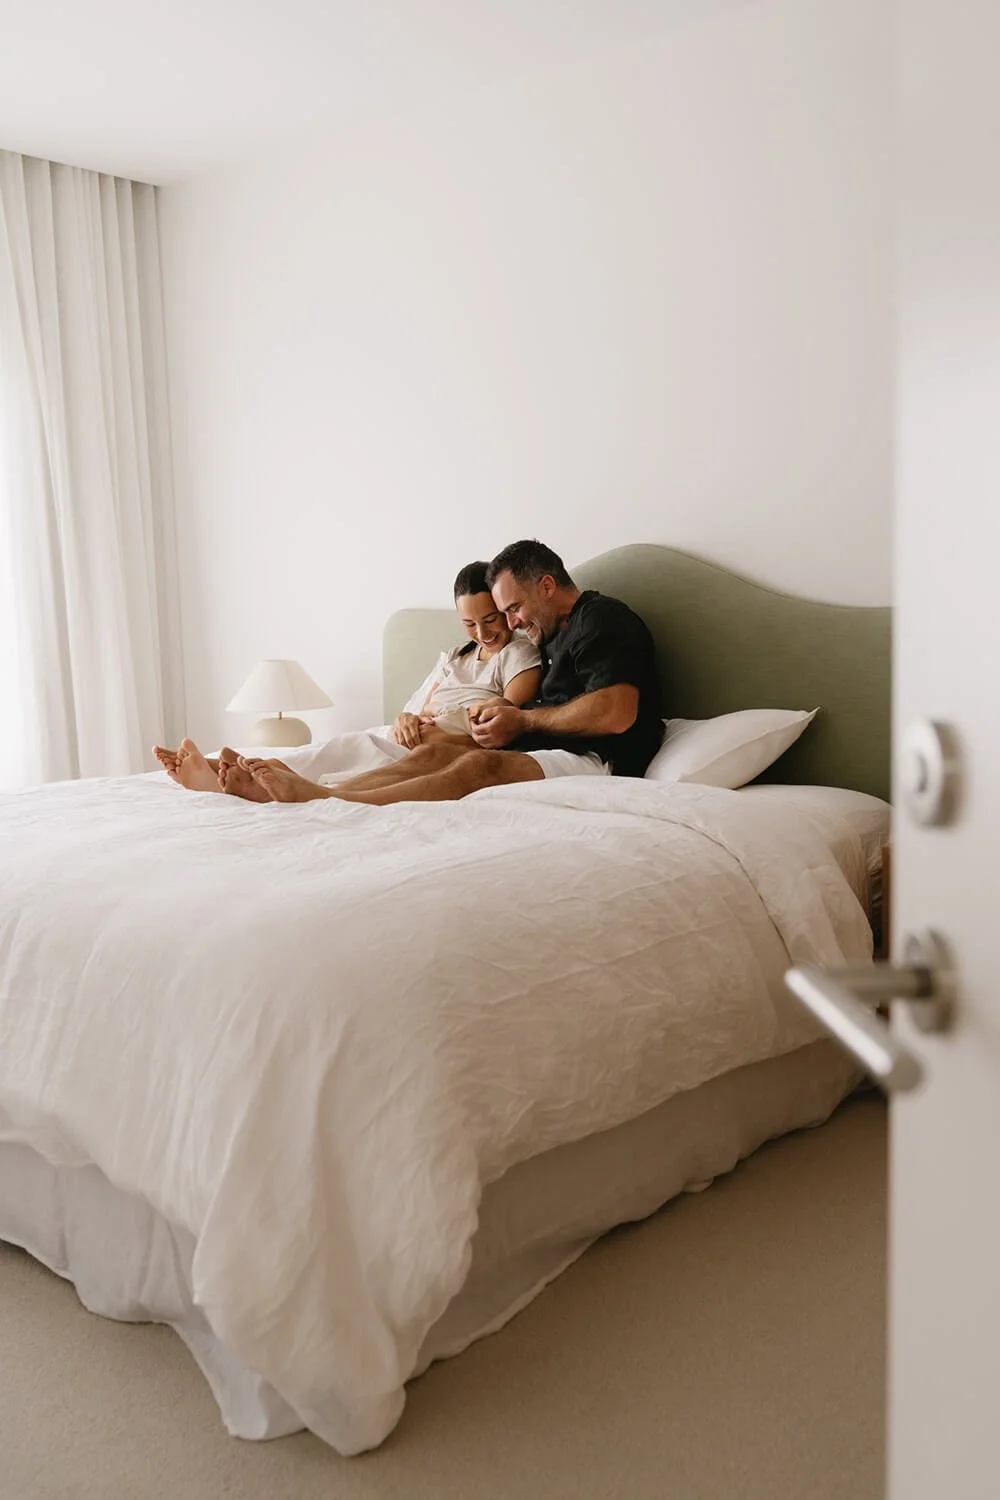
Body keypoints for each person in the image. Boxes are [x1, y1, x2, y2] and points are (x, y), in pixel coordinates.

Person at [223, 538, 662, 806]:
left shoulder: (602, 619)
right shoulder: (547, 635)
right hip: (546, 748)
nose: (510, 624)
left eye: (513, 609)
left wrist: (524, 719)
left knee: (476, 768)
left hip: (598, 760)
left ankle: (327, 801)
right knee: (430, 755)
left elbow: (616, 712)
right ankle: (316, 792)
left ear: (547, 585)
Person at [153, 561, 541, 797]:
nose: (483, 632)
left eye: (491, 619)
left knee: (345, 761)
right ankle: (226, 779)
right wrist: (406, 719)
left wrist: (443, 735)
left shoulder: (517, 654)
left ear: (505, 610)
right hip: (409, 735)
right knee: (332, 750)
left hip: (447, 744)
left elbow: (511, 719)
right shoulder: (454, 657)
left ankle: (251, 784)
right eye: (470, 624)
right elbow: (416, 708)